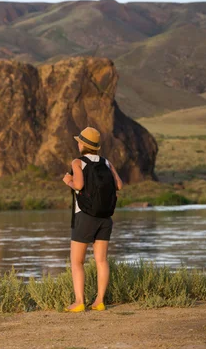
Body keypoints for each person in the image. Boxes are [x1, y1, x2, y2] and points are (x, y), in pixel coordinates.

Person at [62, 127, 123, 312]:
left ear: (83, 145)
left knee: (77, 261)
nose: (78, 144)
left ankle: (79, 301)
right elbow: (119, 185)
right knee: (101, 261)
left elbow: (79, 185)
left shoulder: (77, 162)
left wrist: (68, 182)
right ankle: (99, 301)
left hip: (85, 217)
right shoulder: (106, 162)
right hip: (105, 218)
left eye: (79, 142)